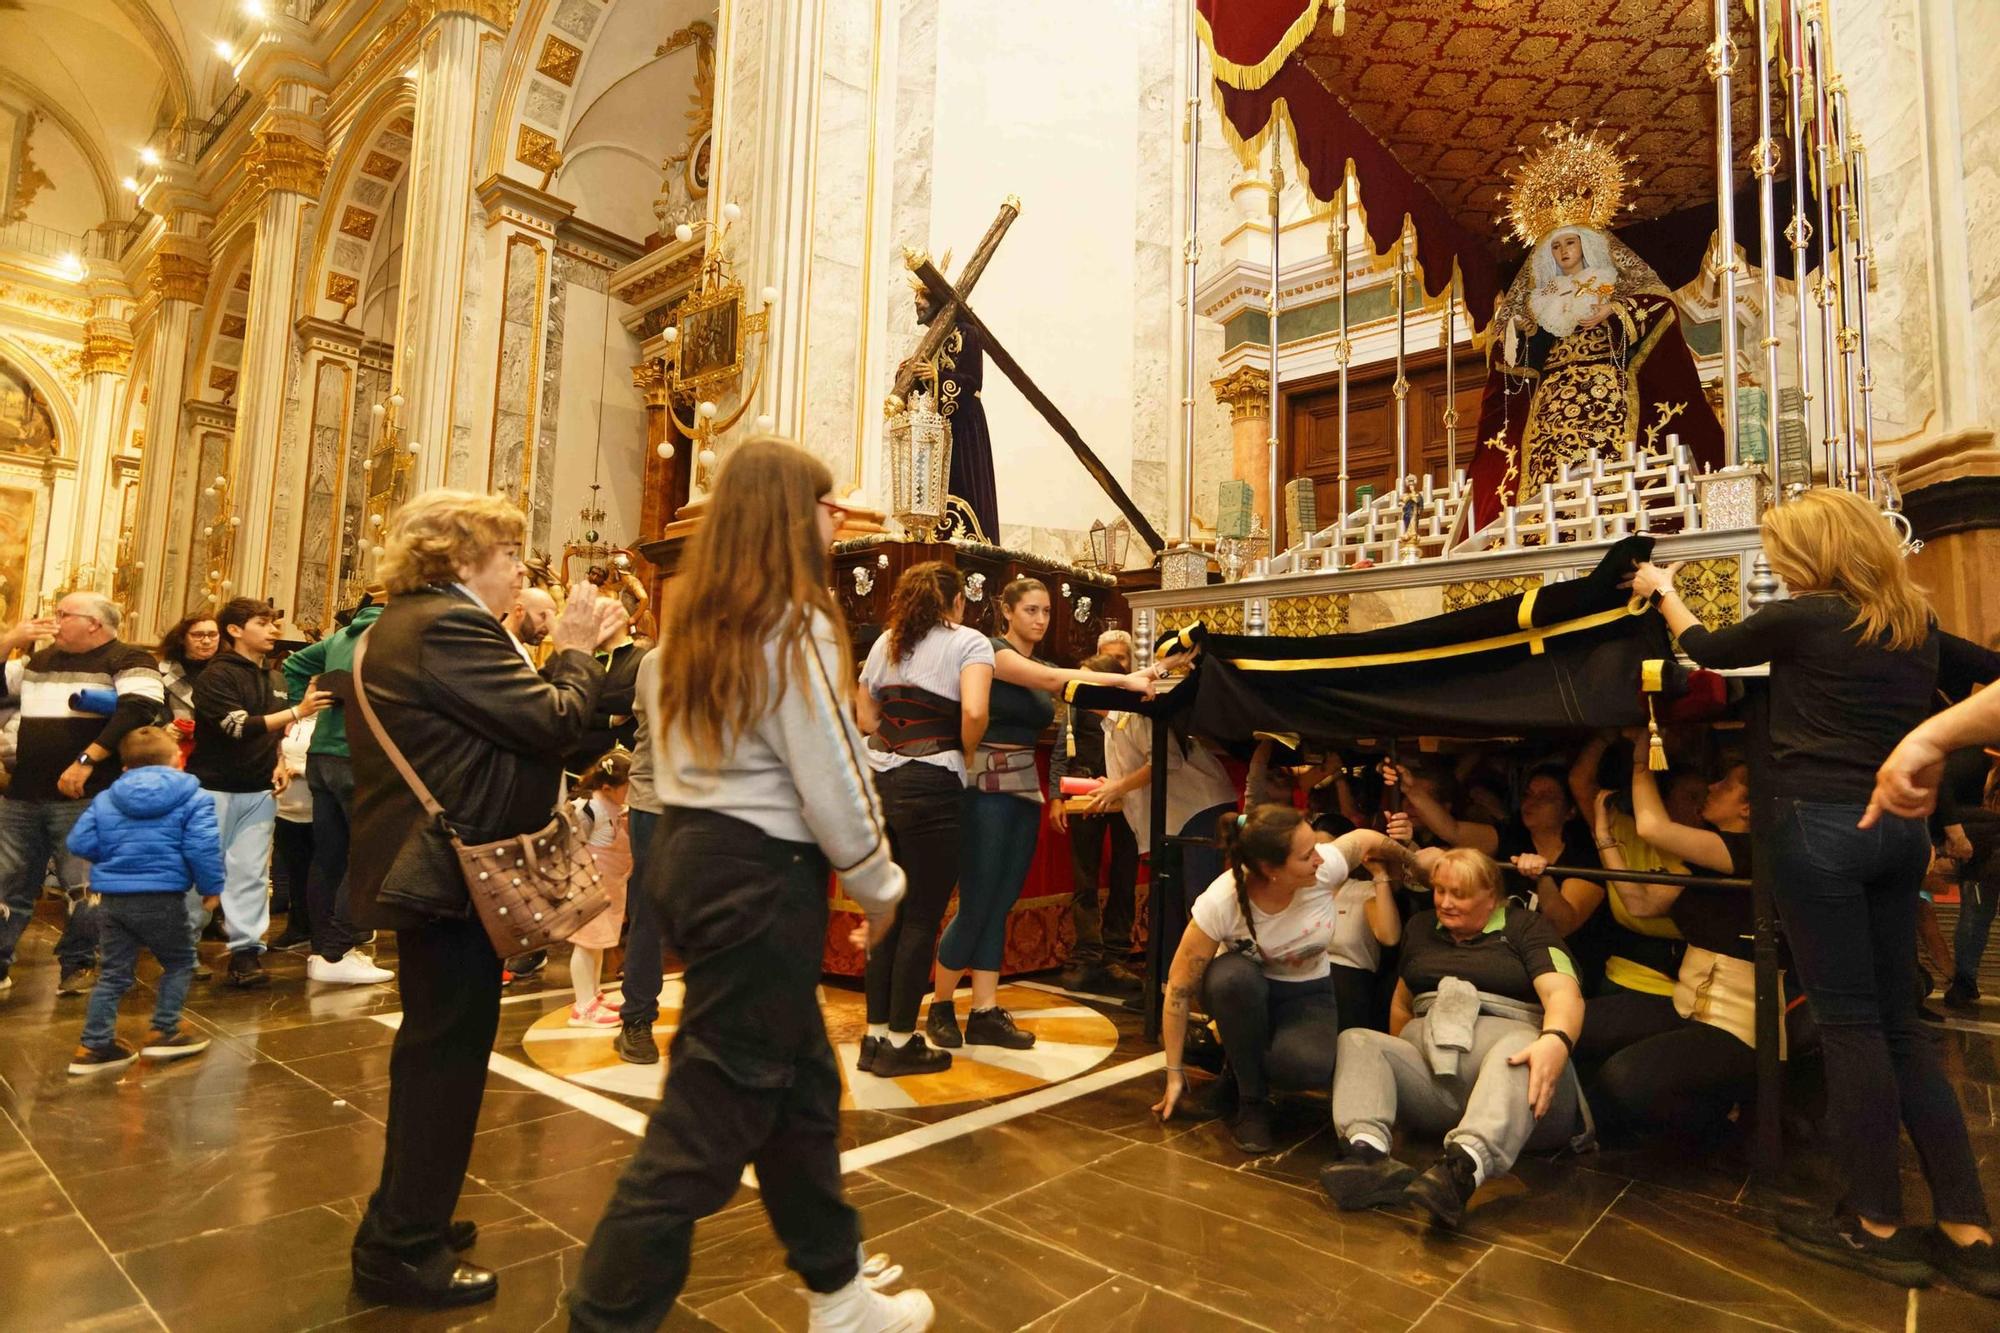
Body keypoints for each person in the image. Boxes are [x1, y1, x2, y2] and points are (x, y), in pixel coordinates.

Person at [570, 439, 933, 1332]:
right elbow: (831, 769)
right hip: (761, 874)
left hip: (696, 855)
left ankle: (841, 1298)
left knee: (802, 1091)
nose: (839, 518)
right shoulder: (792, 617)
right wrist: (880, 882)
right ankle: (604, 1317)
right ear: (784, 512)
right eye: (824, 503)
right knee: (702, 1125)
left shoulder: (696, 618)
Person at [1634, 486, 2000, 1297]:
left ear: (1815, 554)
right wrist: (1931, 745)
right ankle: (1967, 1230)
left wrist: (1663, 591)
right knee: (1901, 1025)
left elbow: (1710, 648)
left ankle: (1875, 1224)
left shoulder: (1805, 616)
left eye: (1781, 549)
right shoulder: (1916, 630)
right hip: (1897, 830)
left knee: (1851, 1028)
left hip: (1818, 827)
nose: (1775, 562)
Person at [345, 490, 620, 1309]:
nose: (520, 572)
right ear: (462, 558)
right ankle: (400, 1249)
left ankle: (406, 1215)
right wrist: (571, 651)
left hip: (435, 865)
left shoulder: (406, 622)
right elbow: (556, 721)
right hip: (456, 874)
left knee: (437, 1049)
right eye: (510, 557)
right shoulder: (447, 625)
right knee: (445, 1061)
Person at [927, 577, 1159, 1054]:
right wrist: (1123, 678)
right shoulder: (988, 651)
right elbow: (1058, 682)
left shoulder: (1041, 664)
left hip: (1022, 791)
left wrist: (1144, 683)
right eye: (1030, 610)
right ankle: (942, 1005)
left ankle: (986, 1011)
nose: (1039, 619)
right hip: (984, 788)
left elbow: (1069, 684)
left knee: (1002, 900)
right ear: (1006, 611)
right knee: (977, 901)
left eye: (1046, 612)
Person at [1320, 847, 1586, 1229]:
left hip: (1523, 1097)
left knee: (1521, 1047)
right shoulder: (1422, 928)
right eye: (1439, 891)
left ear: (1491, 896)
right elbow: (1402, 1003)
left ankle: (1462, 1169)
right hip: (1437, 1080)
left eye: (1458, 894)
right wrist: (1400, 1063)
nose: (1445, 902)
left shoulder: (1525, 927)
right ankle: (1367, 1156)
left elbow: (1564, 994)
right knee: (1358, 1039)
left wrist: (1556, 1040)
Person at [1154, 805, 1418, 1153]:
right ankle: (1252, 1102)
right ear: (1270, 870)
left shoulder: (1324, 866)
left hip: (1307, 993)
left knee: (1307, 1067)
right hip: (1243, 988)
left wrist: (1417, 862)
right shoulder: (1223, 900)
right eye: (1307, 855)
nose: (1320, 860)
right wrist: (1173, 1072)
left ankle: (1239, 1068)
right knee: (1231, 978)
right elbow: (1179, 986)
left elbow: (1367, 839)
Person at [853, 562, 992, 1077]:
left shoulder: (885, 641)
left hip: (881, 782)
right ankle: (900, 1042)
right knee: (921, 917)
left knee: (887, 914)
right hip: (934, 783)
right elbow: (974, 712)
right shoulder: (969, 642)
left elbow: (866, 717)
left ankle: (872, 1040)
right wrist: (966, 755)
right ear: (955, 602)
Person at [1584, 756, 1762, 1140]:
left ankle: (1725, 1124)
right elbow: (1639, 903)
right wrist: (1603, 834)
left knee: (1622, 1079)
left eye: (1726, 785)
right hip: (1688, 1005)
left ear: (1747, 808)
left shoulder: (1750, 849)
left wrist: (1640, 752)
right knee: (1576, 1023)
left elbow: (1651, 827)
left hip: (1738, 1023)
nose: (1713, 788)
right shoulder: (1700, 863)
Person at [0, 595, 164, 998]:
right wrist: (9, 640)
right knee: (7, 882)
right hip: (24, 793)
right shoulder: (40, 661)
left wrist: (87, 759)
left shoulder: (128, 658)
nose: (52, 622)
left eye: (62, 615)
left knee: (84, 885)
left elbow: (141, 707)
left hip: (86, 796)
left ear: (94, 623)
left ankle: (78, 963)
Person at [189, 598, 332, 989]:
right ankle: (181, 950)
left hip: (259, 788)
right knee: (198, 872)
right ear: (235, 630)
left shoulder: (275, 677)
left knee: (251, 874)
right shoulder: (216, 675)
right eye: (263, 623)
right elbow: (237, 726)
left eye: (273, 624)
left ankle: (246, 953)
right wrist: (300, 712)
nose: (273, 631)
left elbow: (273, 733)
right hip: (213, 788)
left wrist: (279, 760)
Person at [64, 726, 221, 1073]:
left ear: (125, 767)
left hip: (115, 900)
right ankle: (164, 1031)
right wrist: (212, 887)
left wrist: (116, 857)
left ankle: (93, 1047)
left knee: (114, 974)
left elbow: (78, 842)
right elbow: (203, 847)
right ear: (177, 760)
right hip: (163, 898)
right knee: (179, 963)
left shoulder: (107, 797)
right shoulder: (194, 797)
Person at [283, 591, 383, 980]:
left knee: (327, 857)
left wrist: (301, 710)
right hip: (359, 758)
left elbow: (292, 663)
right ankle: (338, 953)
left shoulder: (340, 638)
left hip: (320, 756)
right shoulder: (391, 636)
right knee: (367, 857)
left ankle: (322, 947)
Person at [1050, 652, 1141, 995]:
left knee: (1124, 873)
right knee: (1084, 875)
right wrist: (1057, 796)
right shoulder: (1077, 703)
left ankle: (1117, 955)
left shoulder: (1131, 707)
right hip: (1085, 793)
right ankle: (1088, 954)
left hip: (1127, 792)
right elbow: (1062, 748)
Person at [613, 649, 666, 1065]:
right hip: (658, 802)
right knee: (649, 913)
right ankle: (636, 1019)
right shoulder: (661, 661)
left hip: (717, 804)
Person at [565, 748, 633, 1028]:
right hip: (589, 885)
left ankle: (592, 995)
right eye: (629, 787)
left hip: (610, 885)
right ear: (607, 787)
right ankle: (583, 1007)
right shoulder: (588, 808)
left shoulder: (616, 807)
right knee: (585, 944)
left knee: (599, 943)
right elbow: (570, 843)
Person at [1937, 746, 1999, 1011]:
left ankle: (1964, 981)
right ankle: (1964, 980)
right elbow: (1950, 807)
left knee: (1974, 919)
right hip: (1982, 857)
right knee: (1973, 919)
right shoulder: (1972, 761)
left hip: (1981, 852)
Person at [267, 705, 317, 952]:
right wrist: (279, 763)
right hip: (286, 808)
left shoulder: (332, 724)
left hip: (317, 810)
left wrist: (304, 771)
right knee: (296, 872)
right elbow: (280, 750)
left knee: (320, 873)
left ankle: (333, 931)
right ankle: (299, 928)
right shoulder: (292, 719)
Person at [157, 614, 219, 741]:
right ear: (182, 638)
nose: (206, 641)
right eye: (197, 635)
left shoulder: (228, 671)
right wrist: (162, 727)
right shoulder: (161, 671)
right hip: (172, 746)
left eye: (213, 635)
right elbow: (149, 709)